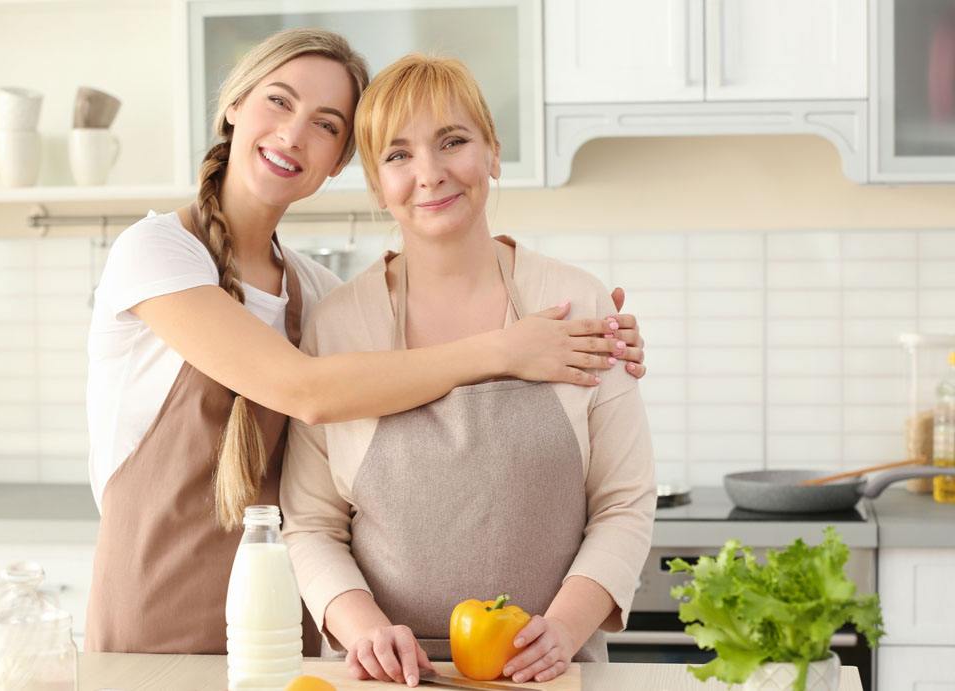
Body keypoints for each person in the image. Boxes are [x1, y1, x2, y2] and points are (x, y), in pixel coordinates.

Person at [83, 30, 647, 654]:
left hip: (284, 623)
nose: (294, 134)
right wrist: (506, 352)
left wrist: (607, 338)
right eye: (278, 100)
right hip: (157, 607)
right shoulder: (158, 251)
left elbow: (623, 496)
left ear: (338, 163)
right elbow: (307, 394)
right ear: (234, 106)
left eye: (325, 124)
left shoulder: (317, 293)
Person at [280, 53, 656, 687]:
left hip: (546, 671)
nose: (429, 174)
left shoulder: (576, 302)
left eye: (452, 141)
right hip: (386, 677)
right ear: (376, 183)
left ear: (492, 153)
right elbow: (312, 521)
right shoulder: (339, 325)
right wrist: (364, 630)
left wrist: (562, 629)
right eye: (398, 156)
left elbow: (624, 500)